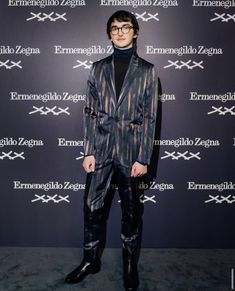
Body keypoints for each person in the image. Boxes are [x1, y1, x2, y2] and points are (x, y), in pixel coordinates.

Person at [65, 10, 158, 291]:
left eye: (125, 27)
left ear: (135, 32)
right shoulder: (97, 68)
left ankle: (130, 266)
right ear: (109, 34)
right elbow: (90, 113)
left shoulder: (147, 71)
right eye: (114, 28)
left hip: (131, 156)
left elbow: (150, 118)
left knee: (131, 214)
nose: (119, 32)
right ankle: (90, 260)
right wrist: (89, 150)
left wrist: (143, 158)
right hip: (101, 152)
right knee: (92, 209)